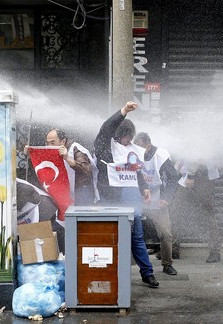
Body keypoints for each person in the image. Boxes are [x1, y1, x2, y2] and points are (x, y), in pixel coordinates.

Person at [94, 101, 159, 288]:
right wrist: (123, 112)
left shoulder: (131, 148)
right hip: (111, 199)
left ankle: (147, 273)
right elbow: (106, 128)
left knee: (137, 237)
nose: (127, 141)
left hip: (131, 198)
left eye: (130, 138)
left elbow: (135, 169)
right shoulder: (106, 146)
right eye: (124, 137)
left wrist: (144, 187)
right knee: (111, 238)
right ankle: (109, 274)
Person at [133, 132, 180, 275]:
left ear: (148, 146)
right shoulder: (133, 154)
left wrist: (166, 198)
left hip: (157, 200)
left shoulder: (161, 156)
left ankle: (167, 264)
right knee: (130, 232)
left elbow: (173, 178)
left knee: (166, 234)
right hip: (138, 199)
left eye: (140, 148)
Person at [171, 160, 221, 263]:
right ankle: (172, 249)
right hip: (189, 175)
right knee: (176, 211)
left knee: (207, 213)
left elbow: (197, 153)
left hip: (201, 175)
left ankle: (215, 251)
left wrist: (191, 175)